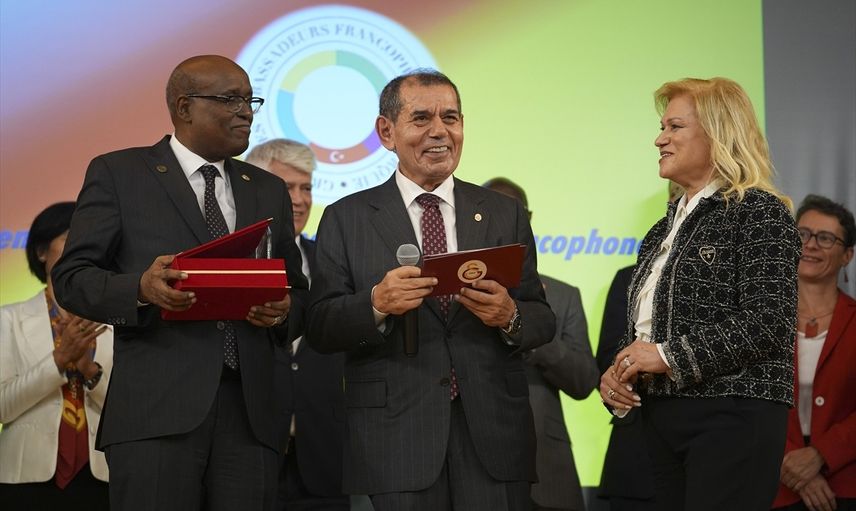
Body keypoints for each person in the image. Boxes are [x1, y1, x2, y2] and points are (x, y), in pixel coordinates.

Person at [51, 55, 309, 511]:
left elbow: (298, 289)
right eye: (230, 100)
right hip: (156, 415)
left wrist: (284, 311)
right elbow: (72, 278)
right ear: (184, 107)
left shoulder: (267, 188)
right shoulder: (120, 173)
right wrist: (139, 289)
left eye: (249, 101)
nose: (246, 113)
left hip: (252, 418)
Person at [305, 70, 556, 511]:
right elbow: (320, 326)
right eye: (421, 118)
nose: (440, 131)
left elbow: (541, 318)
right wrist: (375, 304)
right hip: (396, 438)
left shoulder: (504, 213)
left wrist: (510, 316)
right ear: (387, 132)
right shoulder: (347, 218)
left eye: (450, 118)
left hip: (494, 435)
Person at [598, 77, 801, 511]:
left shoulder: (760, 212)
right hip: (661, 420)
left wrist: (666, 356)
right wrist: (621, 370)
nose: (659, 140)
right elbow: (651, 328)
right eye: (662, 127)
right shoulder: (660, 231)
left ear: (718, 134)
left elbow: (769, 321)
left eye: (675, 127)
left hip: (732, 416)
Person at [245, 139, 350, 511]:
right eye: (286, 188)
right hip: (249, 460)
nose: (300, 199)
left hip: (325, 463)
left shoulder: (334, 263)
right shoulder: (230, 267)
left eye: (306, 188)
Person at [483, 176, 599, 511]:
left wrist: (528, 328)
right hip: (477, 466)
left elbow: (584, 381)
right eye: (491, 215)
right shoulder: (456, 294)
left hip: (547, 470)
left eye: (514, 214)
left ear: (528, 220)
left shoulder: (561, 296)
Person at [0, 202, 113, 510]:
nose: (80, 247)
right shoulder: (9, 319)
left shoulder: (116, 324)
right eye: (69, 237)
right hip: (26, 480)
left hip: (101, 477)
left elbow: (131, 412)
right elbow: (3, 407)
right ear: (41, 252)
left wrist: (89, 371)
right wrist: (59, 361)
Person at [595, 181, 683, 511]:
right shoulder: (629, 277)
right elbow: (607, 360)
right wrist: (631, 367)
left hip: (707, 454)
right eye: (678, 195)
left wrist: (666, 357)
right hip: (637, 456)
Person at [772, 194, 856, 511]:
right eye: (803, 234)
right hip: (773, 486)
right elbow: (742, 401)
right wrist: (789, 461)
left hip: (844, 487)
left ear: (847, 255)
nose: (810, 245)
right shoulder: (759, 320)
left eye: (825, 238)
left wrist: (820, 455)